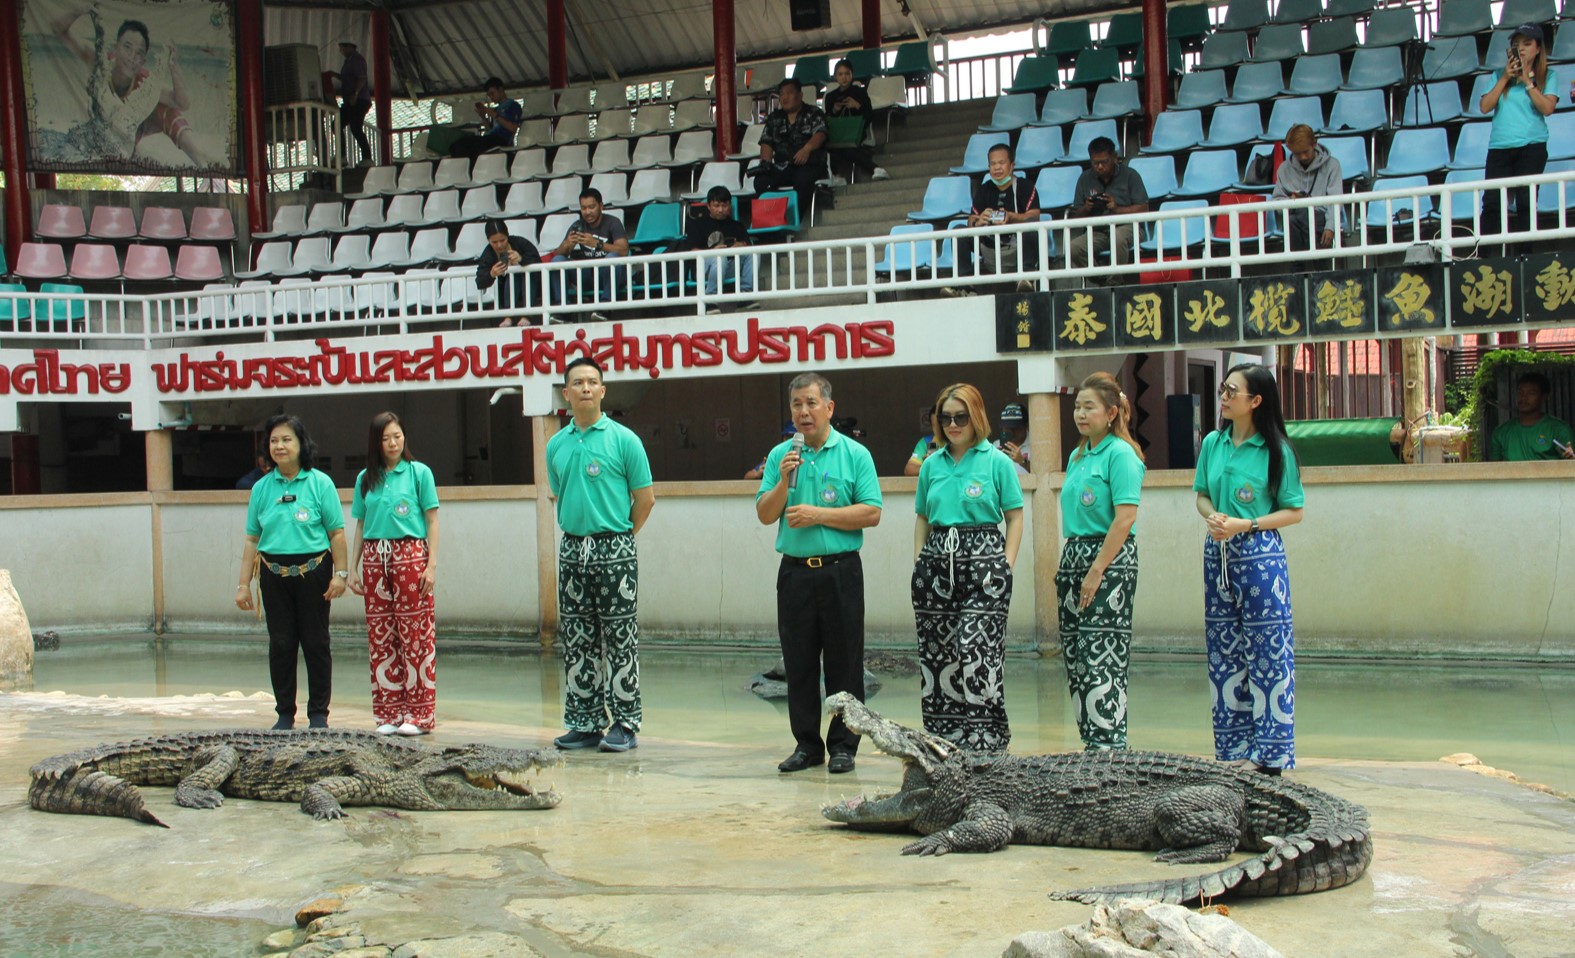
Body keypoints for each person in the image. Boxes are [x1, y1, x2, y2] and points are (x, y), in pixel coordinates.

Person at [754, 372, 882, 773]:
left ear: (829, 407)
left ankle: (844, 745)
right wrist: (782, 481)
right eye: (796, 404)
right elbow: (764, 514)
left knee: (845, 661)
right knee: (799, 662)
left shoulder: (854, 454)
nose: (803, 412)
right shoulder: (781, 456)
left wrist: (817, 515)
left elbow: (872, 512)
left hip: (840, 571)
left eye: (811, 403)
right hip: (794, 574)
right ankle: (807, 745)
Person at [1193, 364, 1305, 775]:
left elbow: (1294, 511)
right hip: (1218, 551)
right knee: (1224, 651)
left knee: (1268, 652)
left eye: (1231, 391)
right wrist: (1213, 517)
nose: (1222, 396)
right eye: (1223, 388)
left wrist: (1248, 524)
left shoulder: (1277, 451)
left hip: (1260, 555)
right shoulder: (1212, 443)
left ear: (1255, 401)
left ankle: (1272, 754)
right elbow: (1201, 495)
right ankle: (1232, 749)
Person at [546, 358, 655, 752]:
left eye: (593, 382)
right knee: (578, 639)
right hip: (573, 550)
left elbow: (645, 499)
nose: (586, 388)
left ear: (603, 391)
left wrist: (621, 537)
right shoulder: (556, 445)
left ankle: (625, 724)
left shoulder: (624, 440)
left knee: (620, 639)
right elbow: (559, 491)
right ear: (566, 393)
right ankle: (585, 722)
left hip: (615, 549)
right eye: (578, 382)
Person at [911, 384, 1024, 751]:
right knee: (938, 652)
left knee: (977, 647)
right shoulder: (931, 464)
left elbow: (1015, 518)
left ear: (976, 417)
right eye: (945, 418)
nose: (953, 424)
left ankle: (985, 738)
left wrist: (1004, 566)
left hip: (984, 562)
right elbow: (923, 518)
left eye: (960, 416)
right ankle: (945, 738)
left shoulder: (996, 462)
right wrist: (919, 565)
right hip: (936, 562)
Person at [235, 415, 348, 729]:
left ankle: (318, 715)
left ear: (301, 444)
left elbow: (337, 533)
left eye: (286, 439)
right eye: (274, 440)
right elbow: (250, 539)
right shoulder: (261, 488)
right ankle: (285, 713)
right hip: (273, 574)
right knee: (281, 643)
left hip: (314, 573)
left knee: (315, 642)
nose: (279, 446)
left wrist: (341, 575)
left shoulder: (319, 483)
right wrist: (243, 584)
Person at [1054, 373, 1145, 751]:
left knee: (1100, 656)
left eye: (1088, 406)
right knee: (1076, 657)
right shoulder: (1078, 455)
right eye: (1077, 406)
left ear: (1111, 413)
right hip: (1075, 555)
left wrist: (1096, 571)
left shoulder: (1121, 454)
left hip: (1108, 562)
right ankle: (1090, 742)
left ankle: (1110, 746)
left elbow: (1124, 518)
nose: (1080, 413)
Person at [347, 412, 440, 736]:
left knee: (416, 637)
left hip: (410, 556)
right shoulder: (365, 478)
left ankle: (419, 715)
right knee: (381, 637)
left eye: (397, 436)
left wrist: (431, 566)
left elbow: (432, 521)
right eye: (386, 438)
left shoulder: (418, 473)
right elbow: (360, 523)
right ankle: (388, 713)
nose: (393, 443)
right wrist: (353, 568)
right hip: (375, 558)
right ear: (376, 443)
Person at [47, 4, 215, 168]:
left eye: (139, 53)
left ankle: (202, 163)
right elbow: (58, 29)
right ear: (116, 46)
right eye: (127, 48)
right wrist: (79, 10)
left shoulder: (144, 82)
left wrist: (173, 67)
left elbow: (181, 103)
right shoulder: (100, 62)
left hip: (128, 136)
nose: (131, 57)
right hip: (99, 134)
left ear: (142, 61)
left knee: (167, 109)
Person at [1478, 23, 1559, 241]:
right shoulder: (1498, 75)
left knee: (1526, 201)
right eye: (1516, 45)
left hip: (1532, 145)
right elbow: (1485, 106)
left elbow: (1547, 108)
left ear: (1538, 48)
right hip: (1500, 146)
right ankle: (1483, 259)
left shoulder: (1548, 76)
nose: (1521, 48)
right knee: (1492, 203)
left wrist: (1527, 81)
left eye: (1527, 43)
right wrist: (1505, 77)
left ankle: (1525, 257)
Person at [1061, 137, 1150, 288]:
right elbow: (1075, 216)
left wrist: (1116, 208)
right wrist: (1086, 208)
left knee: (1118, 236)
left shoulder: (1130, 175)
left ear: (1115, 158)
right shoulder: (1084, 179)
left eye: (1104, 162)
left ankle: (1115, 283)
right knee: (1073, 247)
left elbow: (1144, 208)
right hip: (1099, 231)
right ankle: (1102, 279)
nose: (1100, 167)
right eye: (1095, 163)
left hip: (1128, 227)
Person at [952, 143, 1041, 290]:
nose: (997, 168)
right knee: (958, 231)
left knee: (1031, 225)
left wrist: (1011, 217)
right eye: (992, 164)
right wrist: (978, 222)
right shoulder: (984, 189)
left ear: (1012, 165)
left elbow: (1034, 216)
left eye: (1001, 162)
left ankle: (1027, 278)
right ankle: (964, 286)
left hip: (1017, 248)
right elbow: (971, 219)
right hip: (990, 248)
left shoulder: (1025, 186)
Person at [753, 78, 828, 223]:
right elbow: (766, 143)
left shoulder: (814, 112)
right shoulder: (774, 118)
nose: (785, 97)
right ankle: (772, 220)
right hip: (783, 166)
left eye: (789, 93)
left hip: (809, 165)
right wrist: (766, 164)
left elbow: (821, 134)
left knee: (803, 179)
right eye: (782, 94)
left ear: (800, 95)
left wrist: (806, 149)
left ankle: (793, 220)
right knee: (761, 181)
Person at [550, 188, 629, 315]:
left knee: (613, 257)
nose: (587, 212)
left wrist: (597, 244)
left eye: (591, 207)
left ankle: (605, 307)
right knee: (557, 261)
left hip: (609, 275)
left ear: (601, 206)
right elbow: (559, 255)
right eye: (583, 208)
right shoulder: (578, 225)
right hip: (588, 276)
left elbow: (624, 250)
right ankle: (562, 309)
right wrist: (567, 243)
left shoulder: (613, 222)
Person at [1272, 124, 1342, 255]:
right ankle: (1315, 263)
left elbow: (1336, 200)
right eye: (1298, 154)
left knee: (1298, 218)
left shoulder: (1332, 165)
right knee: (1294, 219)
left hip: (1321, 216)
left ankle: (1298, 268)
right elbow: (1277, 201)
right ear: (1290, 149)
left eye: (1306, 152)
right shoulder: (1283, 169)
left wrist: (1330, 226)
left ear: (1314, 144)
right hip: (1296, 218)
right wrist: (1291, 202)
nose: (1303, 157)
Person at [683, 185, 754, 305]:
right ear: (709, 206)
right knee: (719, 258)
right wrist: (712, 252)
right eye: (716, 205)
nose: (721, 210)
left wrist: (741, 245)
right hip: (704, 269)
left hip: (729, 267)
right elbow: (692, 251)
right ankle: (710, 300)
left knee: (752, 254)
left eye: (724, 205)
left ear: (729, 205)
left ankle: (745, 296)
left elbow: (747, 244)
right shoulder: (697, 224)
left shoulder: (737, 225)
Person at [822, 58, 890, 183]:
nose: (844, 77)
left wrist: (857, 106)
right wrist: (835, 111)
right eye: (840, 74)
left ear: (852, 75)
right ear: (835, 76)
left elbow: (869, 115)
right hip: (838, 133)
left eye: (847, 74)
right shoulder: (830, 96)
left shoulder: (860, 92)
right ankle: (837, 175)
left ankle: (872, 169)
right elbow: (828, 119)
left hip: (856, 131)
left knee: (847, 148)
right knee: (832, 147)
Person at [1490, 372, 1575, 461]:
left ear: (1544, 397)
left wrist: (1571, 459)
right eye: (1520, 392)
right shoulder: (1500, 433)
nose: (1523, 397)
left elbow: (1571, 465)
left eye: (1531, 393)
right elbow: (1493, 470)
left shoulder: (1559, 430)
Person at [476, 218, 543, 327]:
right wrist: (491, 274)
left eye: (502, 240)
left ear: (508, 236)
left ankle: (527, 314)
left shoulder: (520, 243)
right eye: (494, 242)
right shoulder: (488, 253)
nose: (499, 246)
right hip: (505, 292)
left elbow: (537, 260)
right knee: (511, 277)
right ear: (488, 240)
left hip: (531, 285)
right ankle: (507, 316)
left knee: (521, 274)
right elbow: (480, 281)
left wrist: (521, 259)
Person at [447, 77, 522, 159]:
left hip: (501, 141)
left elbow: (513, 128)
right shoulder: (497, 109)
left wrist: (495, 115)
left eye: (492, 93)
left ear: (500, 89)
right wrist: (483, 117)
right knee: (459, 146)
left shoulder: (513, 105)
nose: (491, 97)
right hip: (490, 139)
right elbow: (491, 130)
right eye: (489, 95)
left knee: (466, 144)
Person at [328, 39, 374, 167]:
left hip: (359, 100)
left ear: (350, 47)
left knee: (355, 127)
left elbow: (361, 78)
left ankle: (367, 158)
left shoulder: (357, 60)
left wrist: (356, 93)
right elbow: (348, 78)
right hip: (351, 101)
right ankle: (342, 156)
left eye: (342, 47)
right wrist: (334, 75)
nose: (341, 50)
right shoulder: (348, 62)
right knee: (337, 124)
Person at [995, 402, 1031, 475]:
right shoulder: (996, 446)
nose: (1011, 432)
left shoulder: (1035, 445)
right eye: (1007, 428)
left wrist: (1022, 461)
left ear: (1025, 426)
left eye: (1015, 428)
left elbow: (1042, 475)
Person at [903, 404, 939, 477]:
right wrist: (926, 466)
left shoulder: (956, 441)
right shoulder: (927, 441)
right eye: (934, 425)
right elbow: (909, 470)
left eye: (941, 425)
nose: (938, 429)